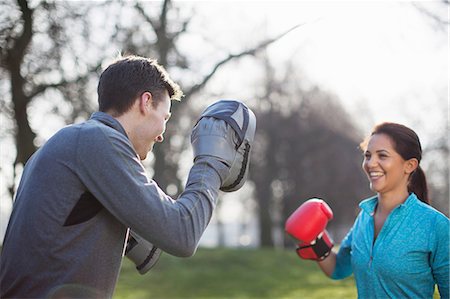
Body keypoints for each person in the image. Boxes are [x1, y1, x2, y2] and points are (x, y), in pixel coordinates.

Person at [0, 55, 256, 298]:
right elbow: (183, 233)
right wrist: (211, 162)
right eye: (164, 117)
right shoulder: (97, 140)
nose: (161, 134)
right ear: (145, 102)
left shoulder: (65, 145)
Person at [286, 122, 449, 298]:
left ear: (409, 165)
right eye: (368, 156)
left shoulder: (436, 225)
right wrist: (314, 240)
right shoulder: (364, 217)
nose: (371, 164)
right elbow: (337, 268)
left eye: (382, 156)